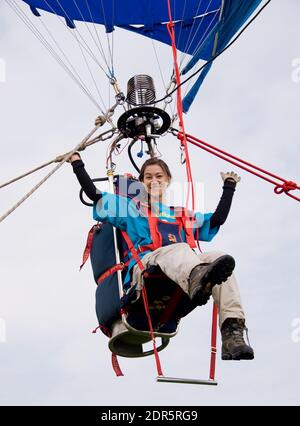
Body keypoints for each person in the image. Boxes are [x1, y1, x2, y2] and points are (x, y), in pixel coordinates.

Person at [70, 153, 254, 361]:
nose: (154, 181)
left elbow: (217, 219)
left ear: (168, 180)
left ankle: (232, 332)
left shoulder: (182, 215)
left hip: (181, 275)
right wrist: (77, 162)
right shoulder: (131, 209)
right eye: (148, 177)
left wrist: (229, 187)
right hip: (146, 270)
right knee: (179, 249)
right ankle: (196, 278)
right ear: (141, 183)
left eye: (159, 176)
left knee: (220, 258)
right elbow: (94, 195)